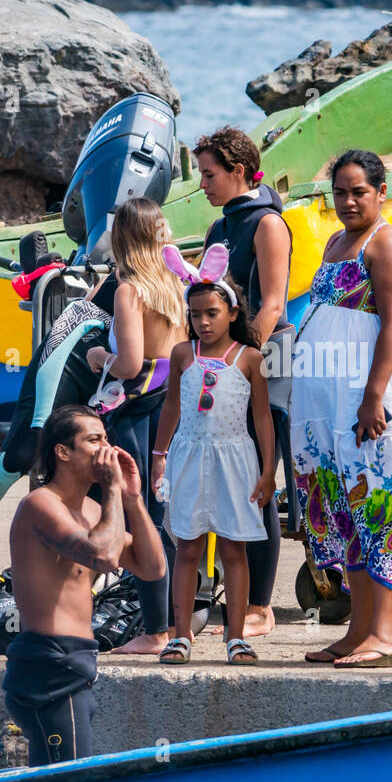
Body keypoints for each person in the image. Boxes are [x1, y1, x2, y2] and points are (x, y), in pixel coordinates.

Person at [293, 150, 392, 670]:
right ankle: (357, 631)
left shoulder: (389, 245)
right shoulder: (335, 243)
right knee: (348, 506)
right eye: (341, 192)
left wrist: (373, 395)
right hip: (330, 402)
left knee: (382, 501)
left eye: (359, 191)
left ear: (381, 192)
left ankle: (385, 635)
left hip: (369, 396)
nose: (349, 201)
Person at [0, 273, 116, 590]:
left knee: (102, 463)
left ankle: (82, 574)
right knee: (23, 452)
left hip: (115, 366)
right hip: (77, 346)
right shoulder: (132, 268)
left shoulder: (181, 281)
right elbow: (93, 302)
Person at [3, 405, 164, 766]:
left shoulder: (93, 511)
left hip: (77, 663)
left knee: (59, 781)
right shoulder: (40, 505)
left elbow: (153, 568)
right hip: (48, 668)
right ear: (63, 452)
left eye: (107, 438)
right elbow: (103, 556)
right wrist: (110, 490)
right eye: (93, 440)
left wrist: (132, 498)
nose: (107, 449)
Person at [150, 245, 276, 665]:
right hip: (188, 460)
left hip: (235, 463)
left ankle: (236, 637)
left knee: (234, 550)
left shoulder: (250, 359)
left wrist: (268, 470)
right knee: (186, 548)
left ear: (234, 314)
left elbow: (262, 419)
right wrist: (159, 453)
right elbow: (171, 407)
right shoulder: (182, 355)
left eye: (212, 313)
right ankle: (180, 634)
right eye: (196, 315)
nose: (202, 322)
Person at [196, 126, 292, 638]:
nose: (203, 185)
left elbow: (273, 303)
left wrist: (242, 357)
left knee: (256, 480)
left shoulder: (267, 223)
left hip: (263, 360)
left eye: (209, 175)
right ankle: (232, 596)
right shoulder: (218, 229)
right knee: (228, 479)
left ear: (238, 171)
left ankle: (261, 606)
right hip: (223, 362)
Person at [82, 198, 188, 655]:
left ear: (121, 239)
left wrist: (96, 356)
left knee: (137, 513)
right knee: (164, 518)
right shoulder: (174, 282)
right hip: (174, 403)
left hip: (137, 409)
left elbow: (128, 364)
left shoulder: (130, 289)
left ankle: (154, 630)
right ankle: (175, 624)